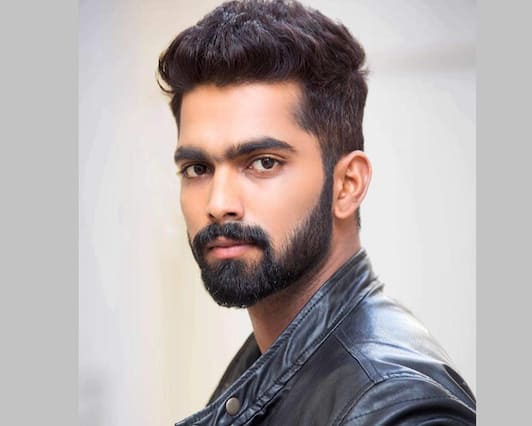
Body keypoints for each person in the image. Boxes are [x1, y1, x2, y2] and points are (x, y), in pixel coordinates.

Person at [157, 0, 476, 424]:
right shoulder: (271, 366)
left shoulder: (398, 409)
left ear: (347, 185)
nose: (218, 204)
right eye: (198, 169)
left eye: (263, 162)